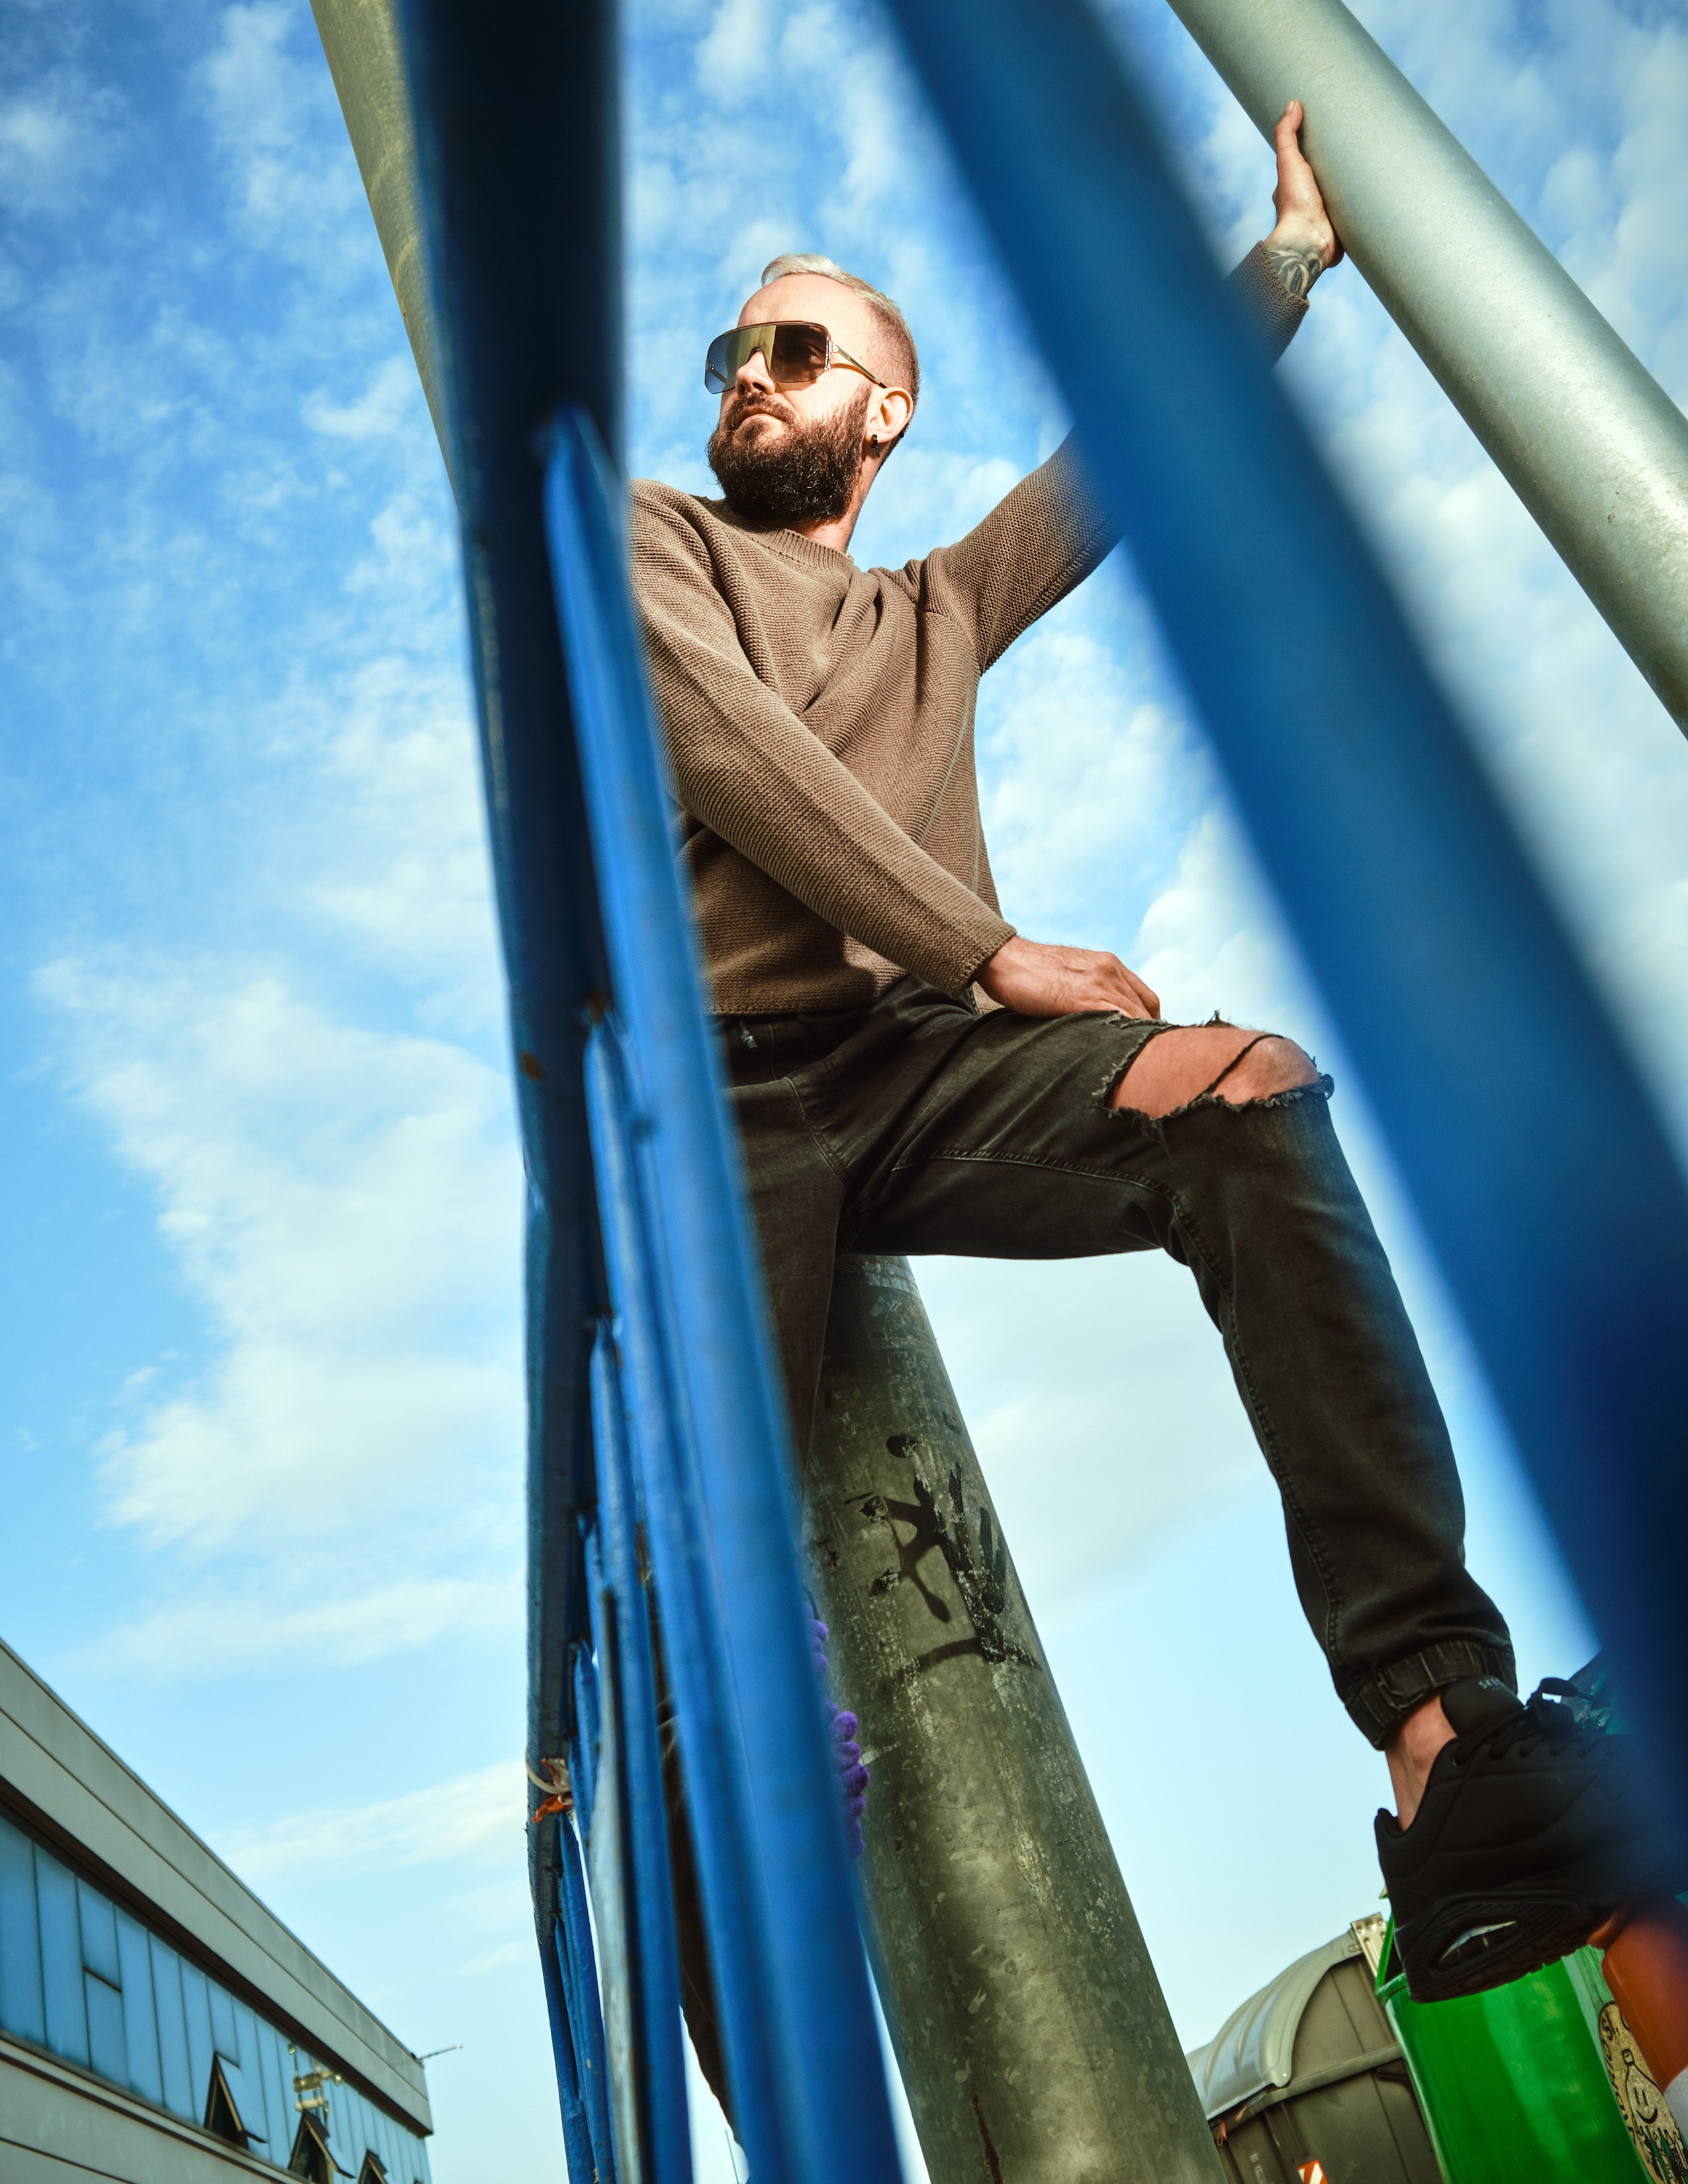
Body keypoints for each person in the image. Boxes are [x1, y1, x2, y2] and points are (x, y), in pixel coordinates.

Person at [631, 101, 1681, 2028]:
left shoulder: (939, 606)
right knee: (717, 1630)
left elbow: (1129, 451)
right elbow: (722, 755)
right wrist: (988, 941)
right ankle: (744, 2018)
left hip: (916, 1067)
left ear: (882, 416)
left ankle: (1452, 1759)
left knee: (1246, 1086)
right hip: (712, 1106)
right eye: (734, 351)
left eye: (797, 350)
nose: (748, 377)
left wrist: (1290, 254)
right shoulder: (652, 540)